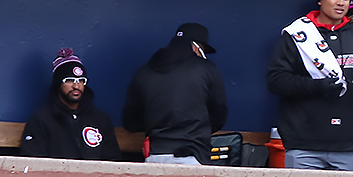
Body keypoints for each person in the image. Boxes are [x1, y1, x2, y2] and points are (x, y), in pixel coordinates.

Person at [266, 0, 353, 171]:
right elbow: (276, 80)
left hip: (346, 144)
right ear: (320, 0)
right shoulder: (297, 35)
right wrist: (316, 86)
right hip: (303, 142)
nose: (341, 2)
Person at [123, 23, 228, 164]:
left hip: (155, 155)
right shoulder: (206, 68)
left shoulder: (144, 72)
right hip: (193, 154)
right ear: (196, 47)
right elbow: (219, 113)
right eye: (202, 50)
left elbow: (130, 123)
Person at [21, 48, 120, 161]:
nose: (76, 86)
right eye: (69, 80)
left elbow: (113, 161)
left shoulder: (100, 119)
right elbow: (33, 162)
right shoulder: (41, 119)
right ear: (58, 83)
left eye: (81, 80)